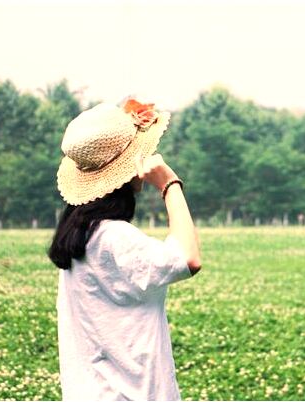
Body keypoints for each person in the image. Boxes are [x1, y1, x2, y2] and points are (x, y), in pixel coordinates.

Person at [47, 99, 201, 401]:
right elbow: (189, 258)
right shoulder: (113, 236)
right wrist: (170, 184)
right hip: (131, 394)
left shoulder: (80, 234)